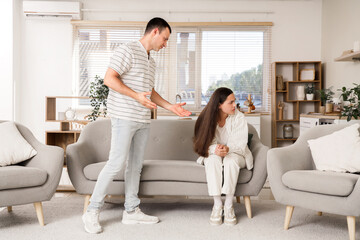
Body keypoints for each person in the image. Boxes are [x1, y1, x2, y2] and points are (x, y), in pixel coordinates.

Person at [82, 17, 192, 234]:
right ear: (155, 32)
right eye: (165, 39)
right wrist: (135, 96)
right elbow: (109, 79)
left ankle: (131, 211)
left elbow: (149, 92)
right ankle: (92, 211)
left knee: (135, 166)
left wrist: (171, 108)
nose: (165, 44)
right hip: (124, 117)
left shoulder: (151, 61)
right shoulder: (128, 50)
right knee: (115, 164)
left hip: (143, 119)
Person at [193, 87, 253, 226]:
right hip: (214, 153)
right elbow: (201, 143)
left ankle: (229, 205)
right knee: (212, 159)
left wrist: (227, 148)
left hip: (237, 154)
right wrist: (215, 149)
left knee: (230, 160)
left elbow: (241, 143)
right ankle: (217, 205)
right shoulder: (206, 118)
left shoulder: (239, 117)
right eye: (230, 102)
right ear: (219, 105)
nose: (234, 105)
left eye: (235, 102)